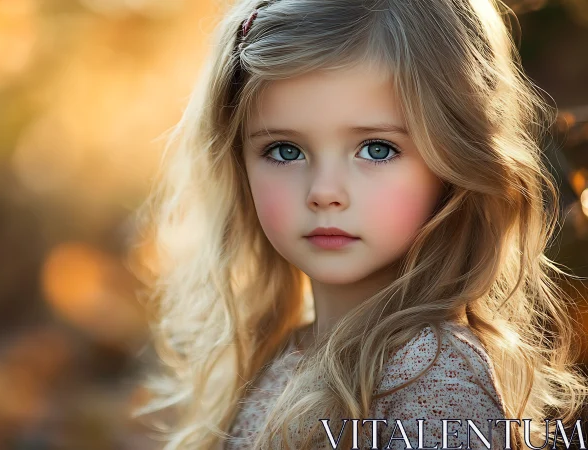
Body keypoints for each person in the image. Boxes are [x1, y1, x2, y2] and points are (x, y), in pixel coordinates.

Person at [127, 0, 588, 449]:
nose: (324, 191)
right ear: (239, 164)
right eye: (286, 150)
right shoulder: (279, 355)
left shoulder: (433, 371)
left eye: (376, 149)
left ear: (452, 159)